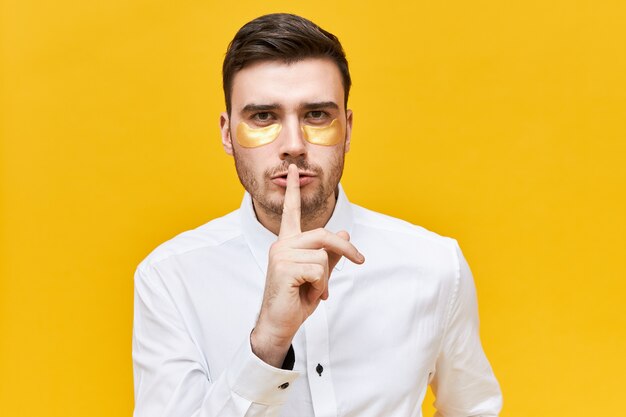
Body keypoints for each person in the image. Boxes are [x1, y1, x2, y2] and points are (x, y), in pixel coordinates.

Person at [132, 13, 502, 417]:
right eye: (263, 117)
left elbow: (474, 408)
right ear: (226, 133)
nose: (293, 145)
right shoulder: (170, 279)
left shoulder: (435, 265)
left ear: (347, 128)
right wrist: (269, 340)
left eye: (317, 115)